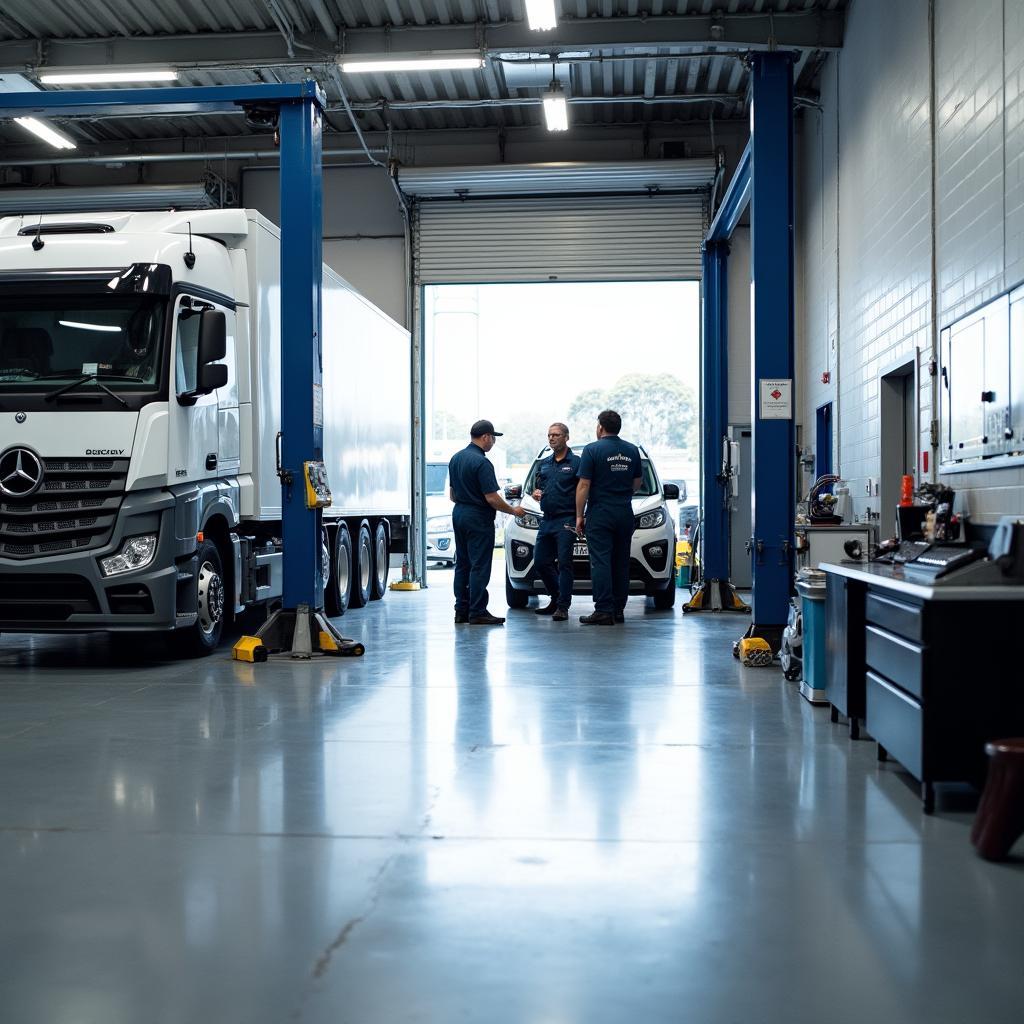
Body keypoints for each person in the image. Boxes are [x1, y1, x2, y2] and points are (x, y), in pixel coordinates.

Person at [449, 420, 525, 625]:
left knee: (463, 564)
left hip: (459, 513)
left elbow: (452, 494)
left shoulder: (456, 458)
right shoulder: (482, 463)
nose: (493, 442)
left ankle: (461, 610)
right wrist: (513, 510)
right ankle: (478, 611)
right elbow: (491, 498)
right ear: (485, 437)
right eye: (493, 437)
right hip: (478, 517)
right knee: (479, 565)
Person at [575, 409, 642, 625]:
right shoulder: (632, 450)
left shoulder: (592, 450)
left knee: (601, 561)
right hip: (624, 511)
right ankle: (618, 609)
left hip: (601, 513)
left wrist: (579, 516)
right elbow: (637, 483)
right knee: (621, 562)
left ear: (600, 427)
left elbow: (584, 485)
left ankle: (603, 610)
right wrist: (621, 495)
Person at [531, 422, 582, 622]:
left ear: (566, 437)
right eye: (549, 435)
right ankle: (556, 598)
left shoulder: (577, 463)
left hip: (567, 519)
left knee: (565, 563)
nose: (552, 438)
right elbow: (537, 486)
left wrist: (580, 516)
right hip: (547, 520)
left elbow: (584, 489)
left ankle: (563, 606)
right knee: (541, 561)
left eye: (556, 435)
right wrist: (535, 492)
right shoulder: (544, 463)